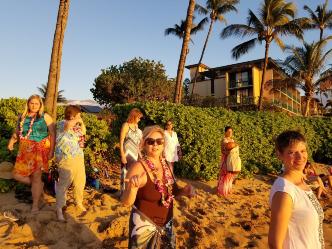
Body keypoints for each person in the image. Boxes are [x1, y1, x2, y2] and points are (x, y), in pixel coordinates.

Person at [121, 125, 195, 249]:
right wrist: (133, 189)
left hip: (167, 223)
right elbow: (125, 202)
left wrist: (184, 191)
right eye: (150, 141)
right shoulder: (137, 167)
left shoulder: (166, 165)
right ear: (143, 144)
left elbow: (173, 192)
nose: (155, 145)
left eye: (159, 141)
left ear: (163, 144)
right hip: (144, 225)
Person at [268, 130, 324, 249]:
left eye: (303, 151)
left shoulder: (302, 183)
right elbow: (274, 244)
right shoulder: (284, 192)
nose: (300, 157)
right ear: (279, 155)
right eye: (292, 152)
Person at [7, 94, 55, 213]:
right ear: (28, 104)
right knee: (16, 175)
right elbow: (17, 132)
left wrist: (51, 151)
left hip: (39, 149)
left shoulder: (45, 117)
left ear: (40, 105)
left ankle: (35, 205)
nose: (34, 105)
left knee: (36, 177)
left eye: (36, 103)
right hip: (24, 150)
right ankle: (38, 186)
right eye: (32, 103)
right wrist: (11, 142)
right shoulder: (22, 116)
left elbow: (53, 134)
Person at [55, 105, 86, 221]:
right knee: (64, 184)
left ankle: (78, 202)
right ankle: (59, 209)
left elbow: (83, 132)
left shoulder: (77, 125)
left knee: (80, 182)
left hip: (78, 157)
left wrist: (80, 122)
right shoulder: (61, 123)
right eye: (78, 114)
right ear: (72, 114)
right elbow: (68, 126)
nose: (80, 116)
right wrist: (77, 119)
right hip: (66, 158)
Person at [119, 108, 143, 194]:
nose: (139, 120)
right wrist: (122, 155)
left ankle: (130, 192)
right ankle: (123, 193)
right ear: (134, 116)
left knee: (133, 173)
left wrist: (140, 155)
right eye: (138, 118)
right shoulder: (126, 125)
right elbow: (121, 141)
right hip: (127, 153)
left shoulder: (137, 127)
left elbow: (139, 143)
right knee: (125, 173)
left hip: (135, 154)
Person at [217, 126, 240, 196]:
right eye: (229, 132)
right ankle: (222, 192)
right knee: (224, 175)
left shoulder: (232, 140)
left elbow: (233, 146)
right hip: (225, 160)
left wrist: (234, 144)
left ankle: (228, 190)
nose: (230, 133)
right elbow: (228, 146)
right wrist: (235, 145)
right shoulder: (224, 140)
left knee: (230, 175)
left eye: (231, 132)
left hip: (231, 160)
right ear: (225, 132)